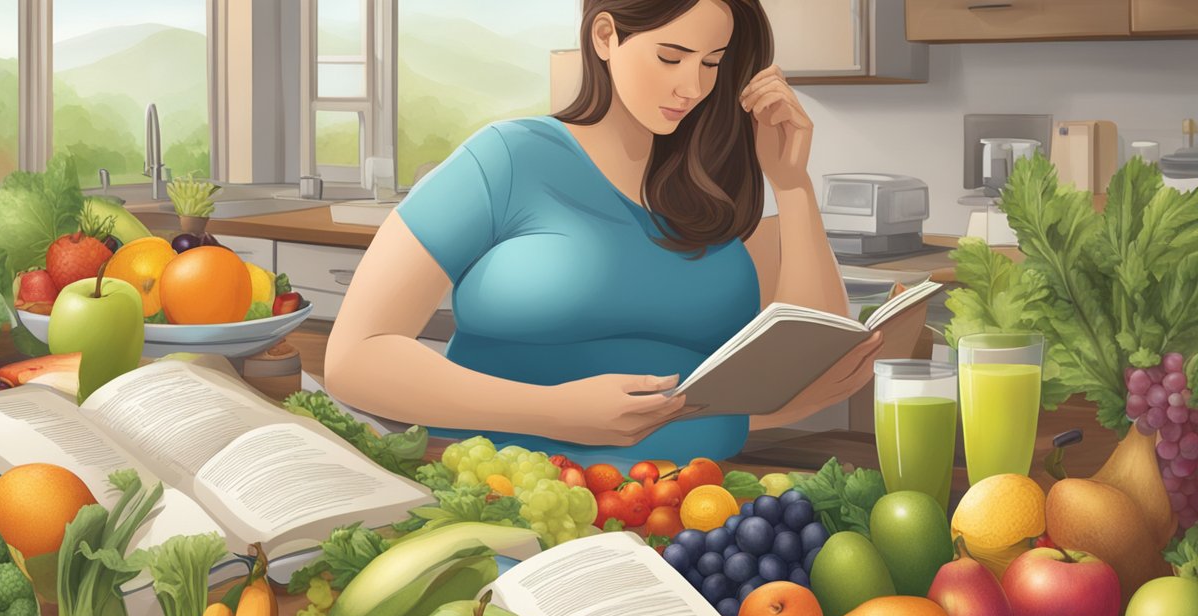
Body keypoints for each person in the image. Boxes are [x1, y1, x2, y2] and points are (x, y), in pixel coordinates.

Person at [324, 0, 921, 467]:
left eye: (711, 63)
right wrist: (555, 412)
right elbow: (355, 358)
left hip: (693, 511)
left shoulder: (712, 200)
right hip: (503, 502)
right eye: (671, 57)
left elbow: (804, 369)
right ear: (606, 36)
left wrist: (792, 185)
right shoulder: (506, 160)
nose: (693, 85)